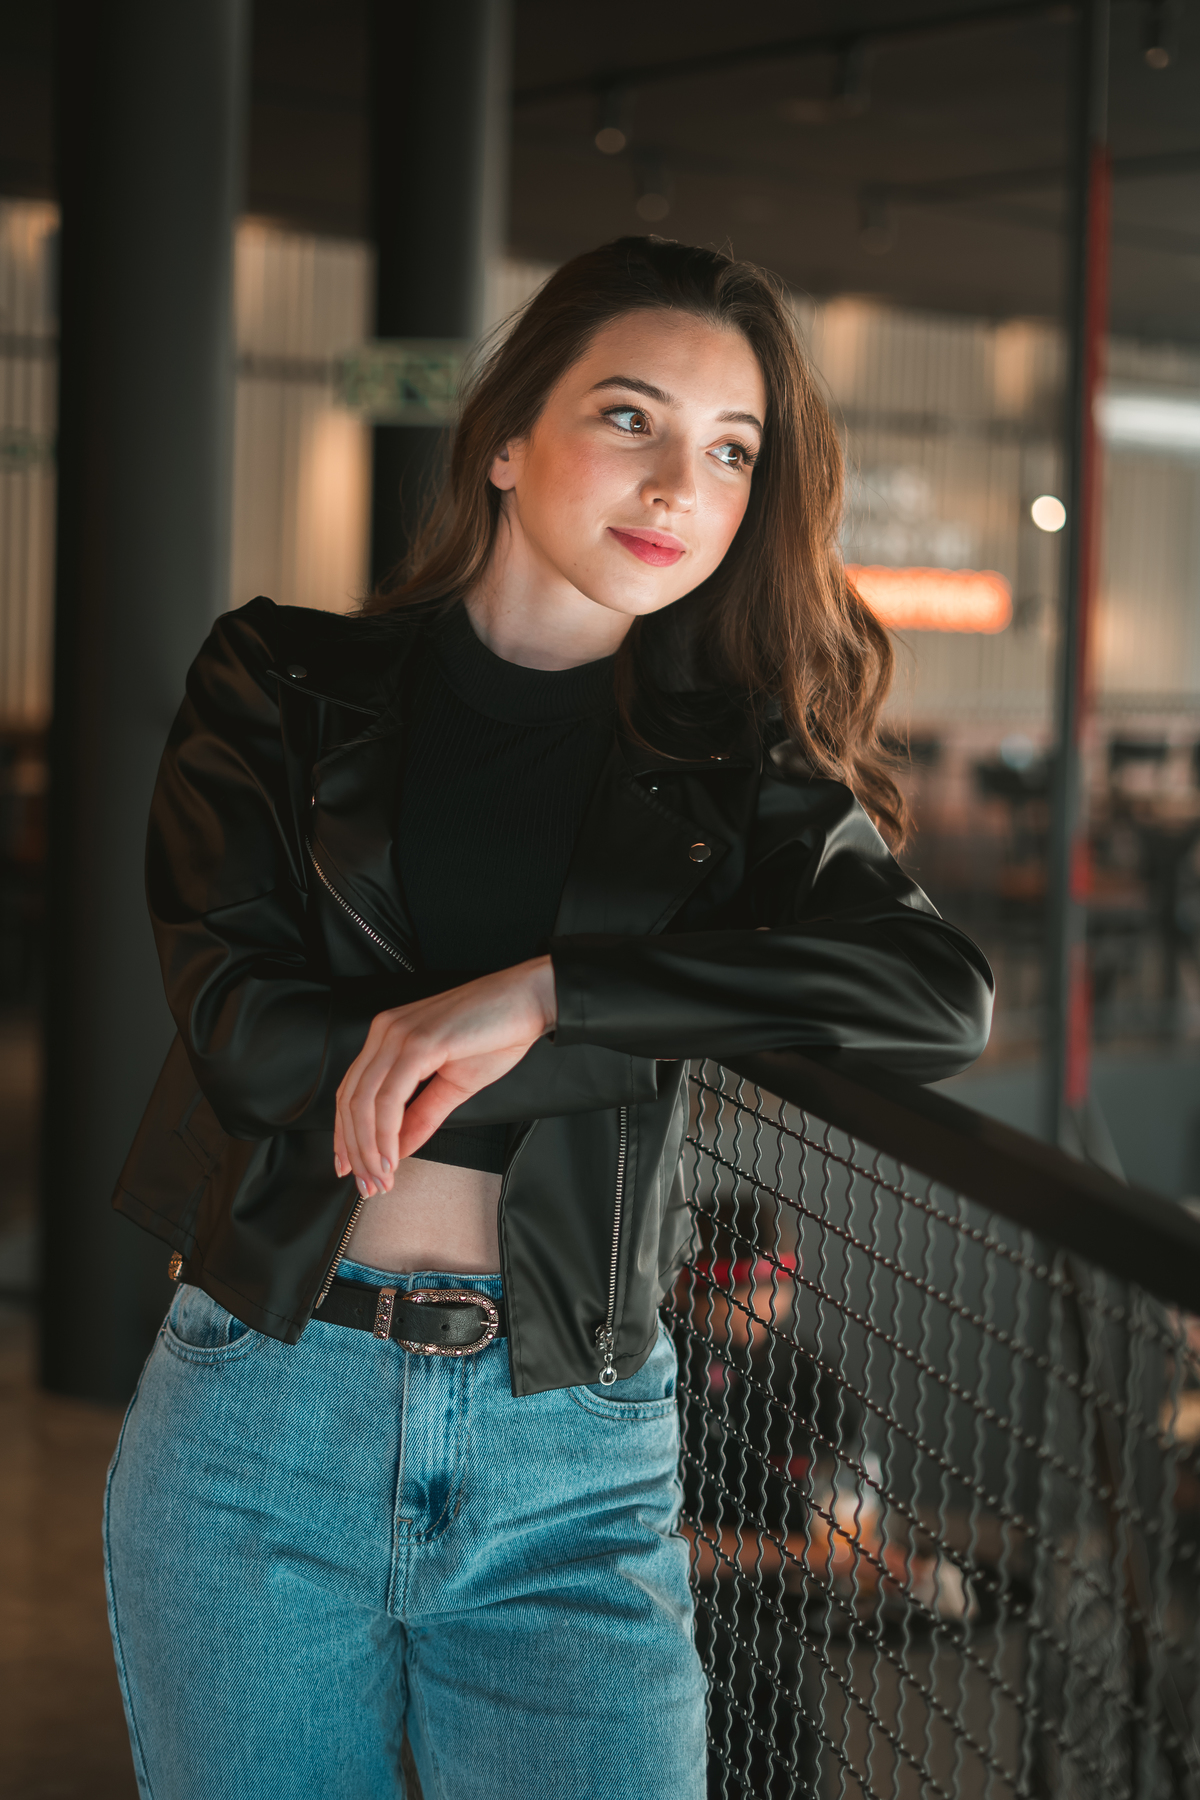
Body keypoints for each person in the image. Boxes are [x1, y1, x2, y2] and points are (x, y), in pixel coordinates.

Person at [103, 236, 993, 1800]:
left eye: (731, 454)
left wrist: (555, 996)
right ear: (508, 440)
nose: (678, 488)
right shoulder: (282, 684)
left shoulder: (733, 784)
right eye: (632, 418)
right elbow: (244, 1033)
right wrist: (604, 1034)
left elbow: (936, 995)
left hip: (571, 1449)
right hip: (266, 1411)